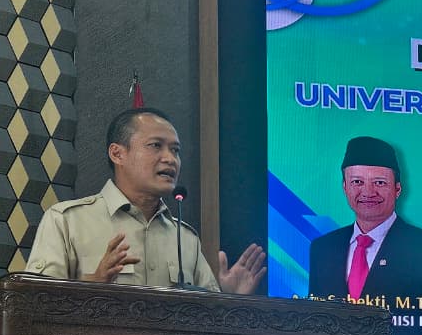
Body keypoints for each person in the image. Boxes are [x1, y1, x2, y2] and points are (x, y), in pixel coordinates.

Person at [28, 108, 265, 293]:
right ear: (117, 153)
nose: (170, 159)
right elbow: (36, 305)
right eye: (156, 146)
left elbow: (205, 324)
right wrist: (94, 283)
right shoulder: (67, 221)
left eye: (175, 150)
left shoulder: (185, 239)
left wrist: (230, 299)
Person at [308, 136, 422, 335]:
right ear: (344, 187)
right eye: (357, 182)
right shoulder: (323, 248)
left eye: (379, 183)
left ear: (398, 189)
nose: (368, 192)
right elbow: (313, 327)